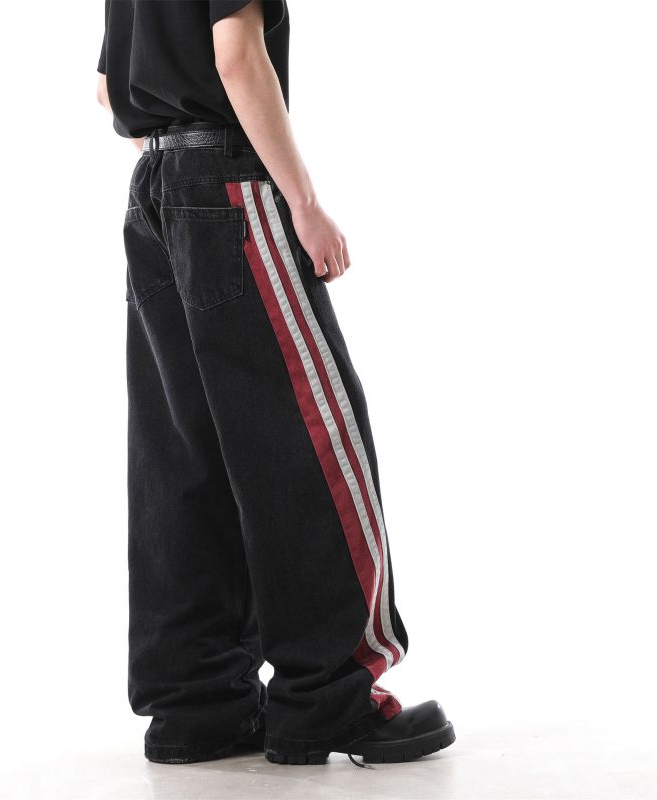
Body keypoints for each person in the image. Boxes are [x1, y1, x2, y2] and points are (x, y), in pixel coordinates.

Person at [96, 0, 455, 767]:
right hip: (229, 182)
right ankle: (330, 697)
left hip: (153, 185)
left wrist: (174, 152)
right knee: (309, 439)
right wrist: (304, 202)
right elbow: (235, 55)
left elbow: (108, 90)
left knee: (183, 456)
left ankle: (198, 704)